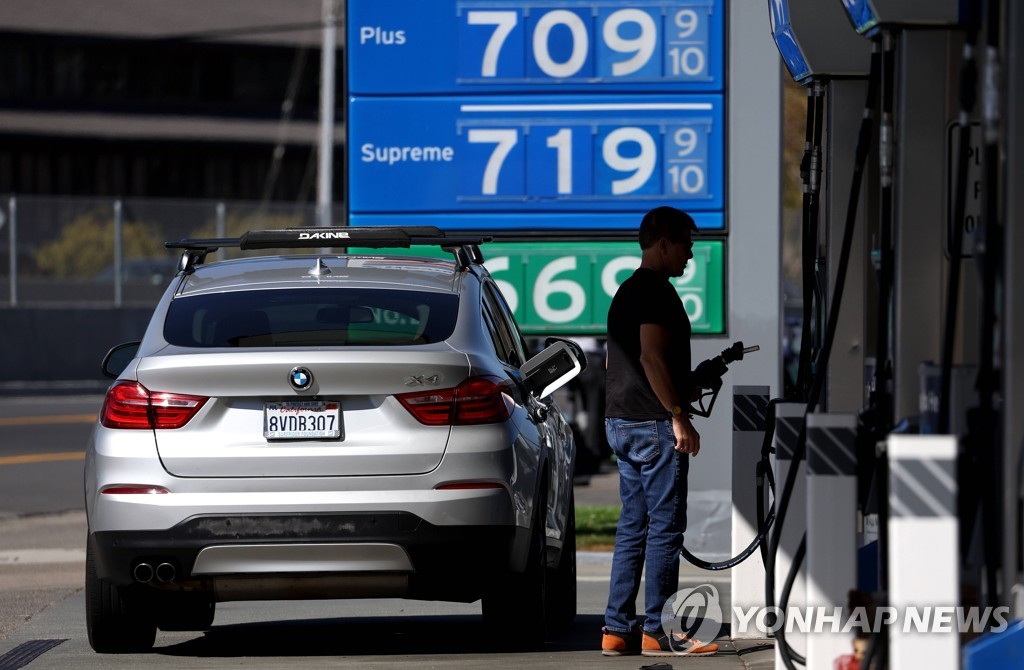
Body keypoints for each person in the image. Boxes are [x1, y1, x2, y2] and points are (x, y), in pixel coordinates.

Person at [600, 206, 718, 657]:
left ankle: (616, 630)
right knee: (666, 528)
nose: (690, 254)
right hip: (653, 425)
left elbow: (618, 362)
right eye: (687, 244)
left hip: (621, 419)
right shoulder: (655, 292)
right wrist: (677, 415)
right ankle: (661, 631)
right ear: (664, 242)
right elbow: (650, 357)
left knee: (634, 525)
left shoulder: (624, 292)